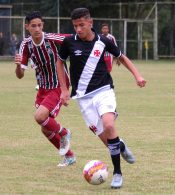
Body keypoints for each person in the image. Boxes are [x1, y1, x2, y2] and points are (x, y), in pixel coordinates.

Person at [56, 8, 146, 189]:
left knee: (109, 125)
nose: (79, 29)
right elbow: (60, 62)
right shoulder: (68, 42)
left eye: (82, 25)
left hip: (104, 90)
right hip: (82, 98)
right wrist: (64, 89)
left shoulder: (103, 41)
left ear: (90, 23)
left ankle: (118, 173)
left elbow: (122, 57)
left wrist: (138, 76)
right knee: (107, 139)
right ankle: (120, 146)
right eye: (75, 26)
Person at [14, 11, 75, 167]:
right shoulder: (25, 45)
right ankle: (69, 156)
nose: (37, 29)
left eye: (39, 25)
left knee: (40, 117)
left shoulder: (52, 39)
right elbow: (20, 75)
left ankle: (64, 133)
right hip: (42, 88)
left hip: (57, 85)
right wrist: (18, 65)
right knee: (46, 129)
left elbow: (73, 40)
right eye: (33, 26)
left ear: (43, 26)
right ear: (27, 27)